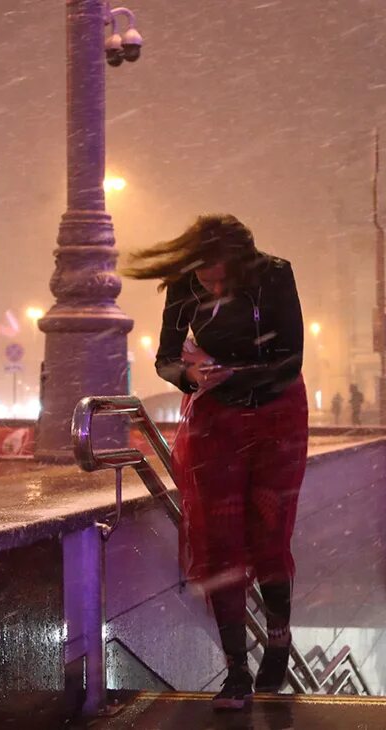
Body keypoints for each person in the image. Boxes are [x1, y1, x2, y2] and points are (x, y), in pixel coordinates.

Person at [124, 214, 307, 711]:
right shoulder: (186, 281)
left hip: (276, 415)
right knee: (218, 541)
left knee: (269, 534)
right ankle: (235, 672)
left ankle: (278, 639)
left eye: (219, 275)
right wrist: (189, 372)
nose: (210, 283)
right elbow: (165, 358)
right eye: (204, 274)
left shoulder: (273, 274)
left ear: (240, 263)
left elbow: (290, 359)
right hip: (214, 420)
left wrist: (238, 375)